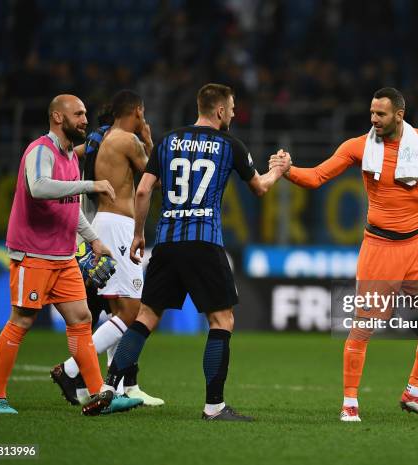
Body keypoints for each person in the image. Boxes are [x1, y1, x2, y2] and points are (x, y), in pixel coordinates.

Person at [101, 83, 291, 421]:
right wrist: (279, 168)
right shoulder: (230, 144)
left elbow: (143, 191)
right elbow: (260, 187)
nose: (233, 113)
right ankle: (214, 406)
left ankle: (109, 387)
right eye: (231, 108)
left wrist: (138, 235)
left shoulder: (167, 141)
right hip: (204, 242)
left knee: (145, 316)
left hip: (167, 243)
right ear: (219, 111)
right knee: (221, 320)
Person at [270, 87, 418, 423]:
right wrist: (289, 170)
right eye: (371, 113)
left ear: (399, 115)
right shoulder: (358, 146)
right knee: (364, 327)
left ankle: (414, 393)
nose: (373, 119)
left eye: (380, 114)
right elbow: (316, 177)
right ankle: (349, 404)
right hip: (379, 248)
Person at [0, 94, 143, 415]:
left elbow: (70, 206)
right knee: (23, 319)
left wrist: (94, 239)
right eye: (79, 114)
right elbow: (39, 187)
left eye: (85, 113)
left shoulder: (71, 155)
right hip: (33, 253)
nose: (86, 119)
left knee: (82, 319)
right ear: (58, 117)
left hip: (63, 256)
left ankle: (100, 394)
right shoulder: (41, 149)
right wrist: (89, 186)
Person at [50, 90, 163, 407]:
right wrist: (149, 140)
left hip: (103, 222)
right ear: (138, 111)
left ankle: (119, 386)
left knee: (117, 311)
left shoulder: (104, 139)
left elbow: (75, 154)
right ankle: (70, 370)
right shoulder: (127, 140)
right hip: (118, 226)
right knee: (132, 312)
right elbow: (155, 177)